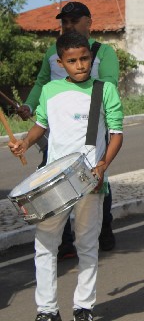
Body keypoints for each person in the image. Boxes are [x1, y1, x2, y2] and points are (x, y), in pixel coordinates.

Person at [9, 31, 124, 321]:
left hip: (89, 179)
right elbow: (41, 125)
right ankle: (47, 310)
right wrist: (25, 142)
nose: (80, 65)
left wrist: (102, 166)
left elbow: (117, 134)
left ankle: (84, 307)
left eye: (84, 58)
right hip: (53, 182)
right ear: (61, 63)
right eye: (72, 61)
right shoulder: (50, 90)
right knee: (45, 246)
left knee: (87, 245)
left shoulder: (104, 90)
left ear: (91, 58)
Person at [17, 1, 120, 256]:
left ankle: (103, 228)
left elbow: (108, 85)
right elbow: (42, 83)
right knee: (54, 180)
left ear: (89, 23)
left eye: (74, 21)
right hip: (57, 126)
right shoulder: (53, 52)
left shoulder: (104, 52)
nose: (69, 26)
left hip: (90, 122)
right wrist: (30, 106)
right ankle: (63, 239)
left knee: (96, 177)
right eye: (65, 22)